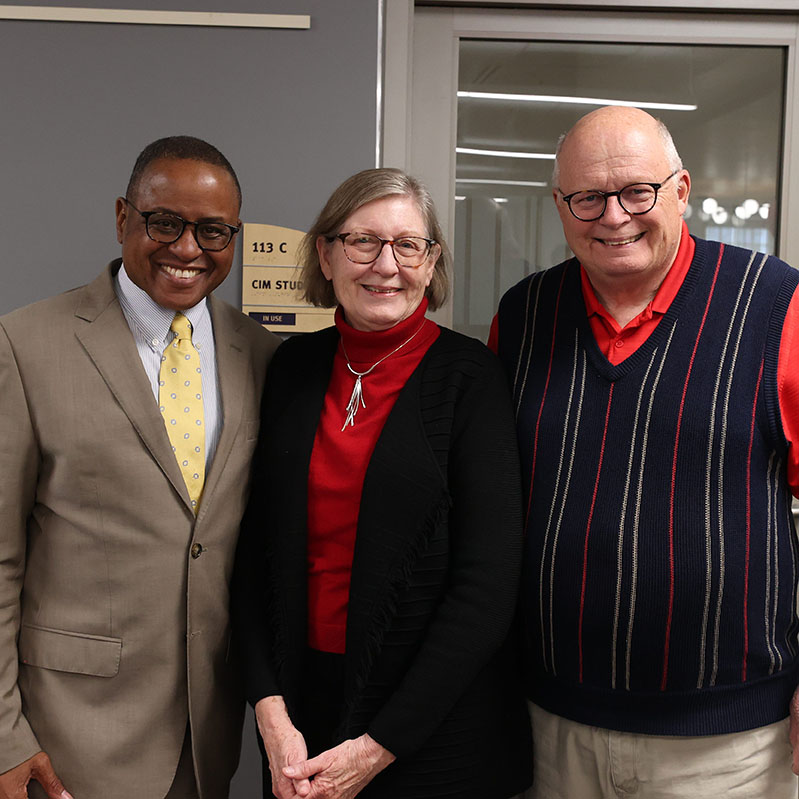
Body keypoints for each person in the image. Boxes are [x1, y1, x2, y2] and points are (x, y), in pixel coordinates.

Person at [491, 105, 799, 798]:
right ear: (559, 206)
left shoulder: (774, 303)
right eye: (587, 197)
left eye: (637, 191)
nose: (613, 216)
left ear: (681, 190)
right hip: (549, 725)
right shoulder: (521, 316)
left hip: (727, 743)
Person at [233, 167, 532, 799]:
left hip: (434, 727)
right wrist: (269, 709)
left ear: (431, 261)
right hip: (300, 714)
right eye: (362, 241)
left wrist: (379, 746)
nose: (385, 265)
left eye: (407, 245)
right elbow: (253, 554)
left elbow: (487, 588)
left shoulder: (470, 379)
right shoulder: (292, 368)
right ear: (326, 254)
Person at [0, 135, 280, 799]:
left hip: (207, 735)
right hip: (66, 735)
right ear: (124, 217)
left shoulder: (261, 355)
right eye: (165, 222)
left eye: (213, 230)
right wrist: (4, 735)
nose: (188, 248)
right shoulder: (24, 344)